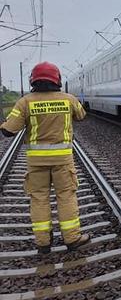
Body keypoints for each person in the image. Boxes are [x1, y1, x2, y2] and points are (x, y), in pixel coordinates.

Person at [0, 61, 89, 254]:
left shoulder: (25, 102)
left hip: (36, 162)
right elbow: (82, 116)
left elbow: (8, 131)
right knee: (66, 196)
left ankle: (43, 242)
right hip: (62, 161)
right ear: (57, 79)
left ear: (33, 80)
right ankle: (72, 238)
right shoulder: (68, 99)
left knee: (39, 198)